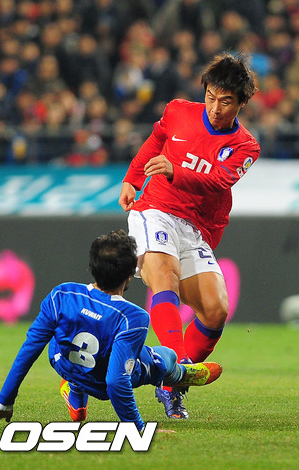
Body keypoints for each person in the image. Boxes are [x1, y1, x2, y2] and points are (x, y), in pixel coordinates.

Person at [118, 52, 259, 418]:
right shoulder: (179, 110)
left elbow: (218, 181)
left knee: (215, 310)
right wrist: (133, 177)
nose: (215, 107)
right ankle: (178, 367)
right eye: (210, 96)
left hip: (195, 226)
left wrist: (175, 170)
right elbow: (156, 139)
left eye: (225, 101)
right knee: (165, 277)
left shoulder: (246, 146)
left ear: (242, 103)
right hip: (155, 209)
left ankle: (168, 383)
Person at [0, 230, 222, 430]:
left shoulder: (61, 294)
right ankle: (178, 374)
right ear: (131, 275)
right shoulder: (133, 316)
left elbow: (30, 348)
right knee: (162, 356)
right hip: (101, 384)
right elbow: (116, 382)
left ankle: (75, 389)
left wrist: (4, 403)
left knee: (63, 332)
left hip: (63, 363)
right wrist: (137, 429)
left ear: (92, 267)